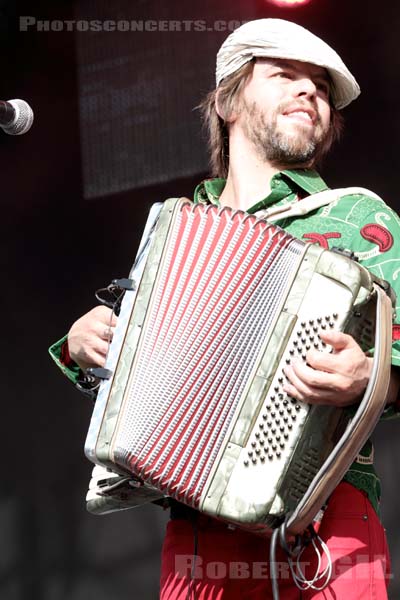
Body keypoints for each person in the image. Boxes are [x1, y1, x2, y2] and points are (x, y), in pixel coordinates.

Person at [49, 18, 400, 599]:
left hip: (323, 519)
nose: (309, 90)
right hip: (195, 536)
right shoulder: (177, 233)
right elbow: (149, 377)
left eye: (318, 84)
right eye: (285, 75)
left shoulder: (359, 219)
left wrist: (374, 377)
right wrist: (91, 348)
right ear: (229, 102)